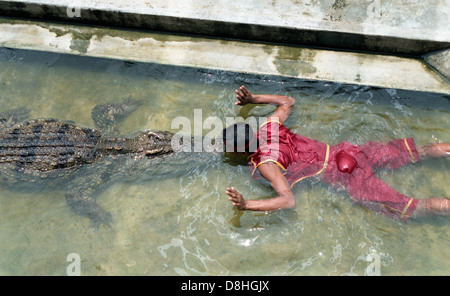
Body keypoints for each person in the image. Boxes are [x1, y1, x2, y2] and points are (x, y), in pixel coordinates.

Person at [224, 86, 450, 221]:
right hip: (348, 151)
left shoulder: (266, 164)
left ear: (239, 151)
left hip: (345, 174)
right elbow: (287, 101)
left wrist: (247, 204)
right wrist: (254, 99)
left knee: (410, 206)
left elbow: (288, 200)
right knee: (418, 152)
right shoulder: (268, 126)